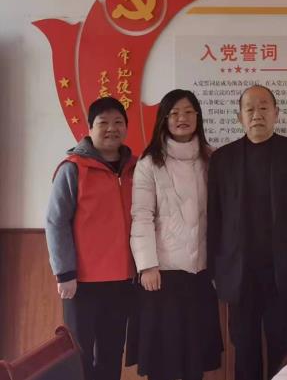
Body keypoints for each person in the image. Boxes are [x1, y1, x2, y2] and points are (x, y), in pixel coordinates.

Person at [207, 85, 287, 380]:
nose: (257, 114)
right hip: (238, 270)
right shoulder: (222, 159)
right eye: (250, 109)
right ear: (239, 117)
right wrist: (214, 268)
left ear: (276, 113)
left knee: (282, 345)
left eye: (264, 107)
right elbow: (214, 217)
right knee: (244, 347)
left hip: (282, 269)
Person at [127, 89, 222, 380]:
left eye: (189, 112)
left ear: (198, 117)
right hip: (163, 274)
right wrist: (147, 266)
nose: (183, 118)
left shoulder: (212, 159)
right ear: (164, 119)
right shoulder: (149, 162)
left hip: (201, 272)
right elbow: (141, 216)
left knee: (195, 357)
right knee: (163, 359)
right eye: (175, 113)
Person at [45, 97, 137, 380]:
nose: (112, 128)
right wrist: (65, 273)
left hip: (122, 281)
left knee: (112, 351)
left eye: (118, 122)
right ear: (89, 128)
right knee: (79, 353)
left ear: (126, 127)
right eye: (103, 122)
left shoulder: (136, 168)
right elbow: (55, 221)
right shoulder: (73, 168)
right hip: (81, 283)